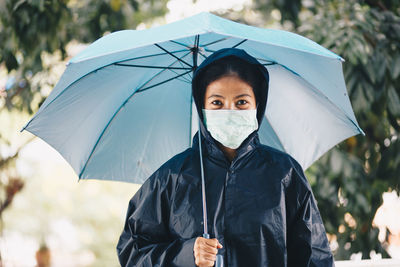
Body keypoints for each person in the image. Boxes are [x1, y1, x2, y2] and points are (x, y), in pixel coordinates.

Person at [117, 48, 335, 266]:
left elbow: (315, 257)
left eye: (241, 102)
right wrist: (185, 254)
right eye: (217, 103)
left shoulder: (284, 173)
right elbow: (132, 252)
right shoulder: (171, 177)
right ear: (202, 108)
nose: (229, 111)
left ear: (257, 105)